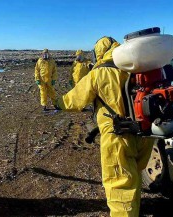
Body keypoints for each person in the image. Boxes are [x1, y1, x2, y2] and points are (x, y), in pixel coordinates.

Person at [56, 37, 155, 217]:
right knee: (133, 176)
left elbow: (76, 100)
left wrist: (58, 103)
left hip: (118, 136)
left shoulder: (100, 72)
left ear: (99, 52)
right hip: (144, 133)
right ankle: (135, 209)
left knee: (119, 186)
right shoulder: (137, 67)